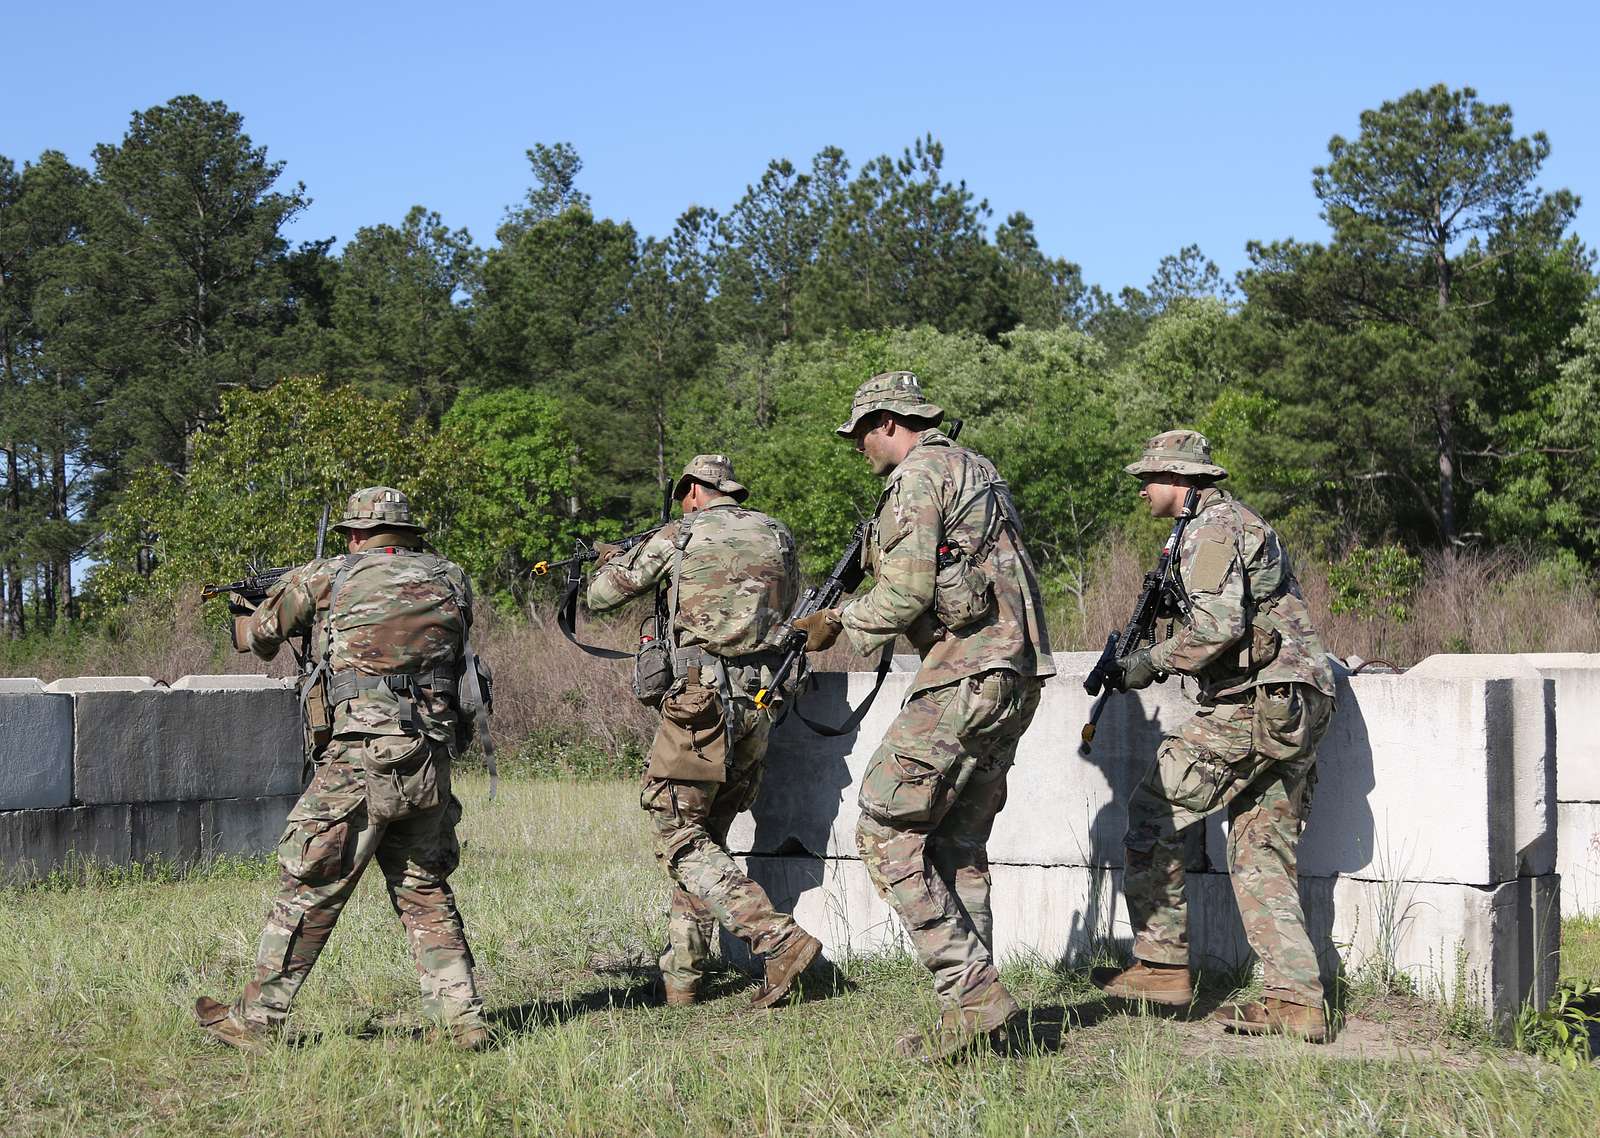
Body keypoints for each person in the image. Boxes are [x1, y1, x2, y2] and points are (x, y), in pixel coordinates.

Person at [790, 371, 1056, 1061]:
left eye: (860, 435)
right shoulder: (978, 470)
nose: (858, 448)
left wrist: (836, 621)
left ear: (887, 422)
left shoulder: (916, 477)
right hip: (1018, 674)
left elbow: (905, 594)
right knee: (957, 846)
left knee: (882, 828)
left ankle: (971, 995)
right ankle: (989, 1021)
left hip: (965, 674)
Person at [194, 487, 492, 1052]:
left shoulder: (325, 576)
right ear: (407, 535)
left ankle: (256, 1020)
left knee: (309, 884)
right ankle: (463, 1019)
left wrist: (244, 608)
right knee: (424, 888)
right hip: (428, 756)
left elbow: (255, 640)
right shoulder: (453, 580)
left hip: (359, 758)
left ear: (355, 534)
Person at [1095, 429, 1338, 1043]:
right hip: (1293, 701)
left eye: (1149, 477)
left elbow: (1219, 625)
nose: (1143, 488)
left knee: (1153, 809)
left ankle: (1160, 963)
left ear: (1179, 480)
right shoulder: (1215, 527)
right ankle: (1296, 1001)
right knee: (1259, 852)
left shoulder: (1211, 528)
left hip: (1260, 701)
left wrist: (1151, 662)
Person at [587, 454, 823, 1008]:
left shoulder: (680, 534)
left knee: (677, 835)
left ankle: (776, 938)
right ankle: (683, 980)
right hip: (760, 701)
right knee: (706, 838)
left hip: (701, 704)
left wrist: (619, 562)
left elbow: (600, 597)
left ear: (694, 490)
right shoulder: (778, 535)